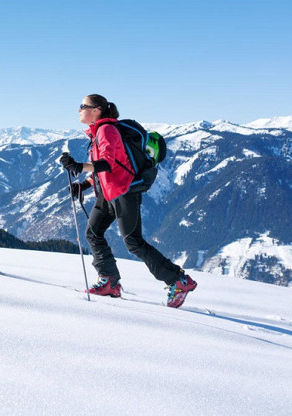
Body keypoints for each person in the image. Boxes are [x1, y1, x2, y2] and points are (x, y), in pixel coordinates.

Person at [59, 93, 197, 308]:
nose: (78, 110)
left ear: (95, 109)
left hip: (124, 191)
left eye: (82, 106)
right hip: (108, 192)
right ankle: (110, 282)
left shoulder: (107, 130)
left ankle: (178, 280)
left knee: (133, 241)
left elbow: (107, 163)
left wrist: (79, 166)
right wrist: (84, 185)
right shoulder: (98, 131)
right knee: (93, 232)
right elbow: (105, 168)